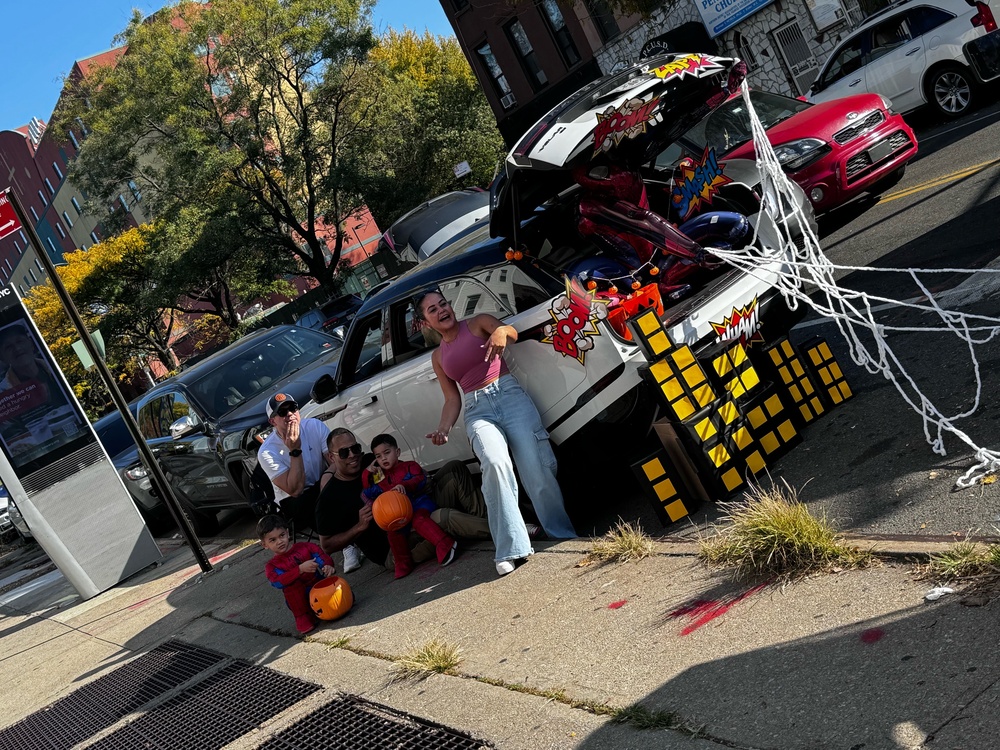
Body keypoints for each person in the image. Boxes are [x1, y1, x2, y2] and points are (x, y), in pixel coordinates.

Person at [415, 289, 576, 577]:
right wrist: (443, 428)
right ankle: (511, 548)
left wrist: (503, 332)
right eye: (432, 310)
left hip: (509, 395)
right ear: (426, 322)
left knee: (535, 468)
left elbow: (508, 331)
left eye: (443, 304)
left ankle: (562, 534)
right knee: (495, 464)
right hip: (477, 411)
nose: (441, 310)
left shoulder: (478, 323)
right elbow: (452, 399)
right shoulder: (439, 357)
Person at [315, 428, 492, 572]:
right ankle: (500, 530)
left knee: (454, 469)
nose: (353, 455)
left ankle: (487, 520)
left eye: (356, 448)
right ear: (332, 457)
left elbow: (401, 468)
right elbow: (327, 545)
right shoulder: (329, 497)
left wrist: (420, 479)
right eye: (344, 452)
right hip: (395, 544)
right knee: (443, 517)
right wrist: (359, 527)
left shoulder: (370, 460)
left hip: (417, 504)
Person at [257, 393, 363, 573]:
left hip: (325, 479)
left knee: (349, 474)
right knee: (309, 500)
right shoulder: (267, 452)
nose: (289, 414)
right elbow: (295, 489)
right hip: (295, 498)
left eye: (293, 408)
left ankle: (364, 527)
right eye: (282, 412)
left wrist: (327, 480)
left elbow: (335, 463)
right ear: (273, 421)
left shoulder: (313, 426)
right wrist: (295, 449)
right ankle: (348, 544)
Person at [361, 433, 457, 579]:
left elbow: (420, 478)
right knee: (393, 531)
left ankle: (445, 543)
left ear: (397, 452)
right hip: (400, 513)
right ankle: (402, 562)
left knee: (419, 519)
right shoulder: (380, 478)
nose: (383, 458)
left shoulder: (409, 466)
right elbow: (368, 491)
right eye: (378, 457)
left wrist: (404, 485)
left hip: (419, 503)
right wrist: (367, 473)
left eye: (387, 453)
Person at [259, 514, 335, 635]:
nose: (279, 542)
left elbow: (320, 556)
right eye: (272, 540)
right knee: (291, 587)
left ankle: (334, 602)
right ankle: (303, 617)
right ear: (265, 545)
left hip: (318, 586)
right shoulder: (272, 566)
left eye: (282, 535)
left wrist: (327, 565)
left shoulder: (305, 547)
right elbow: (278, 581)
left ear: (288, 533)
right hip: (300, 599)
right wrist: (299, 569)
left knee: (337, 587)